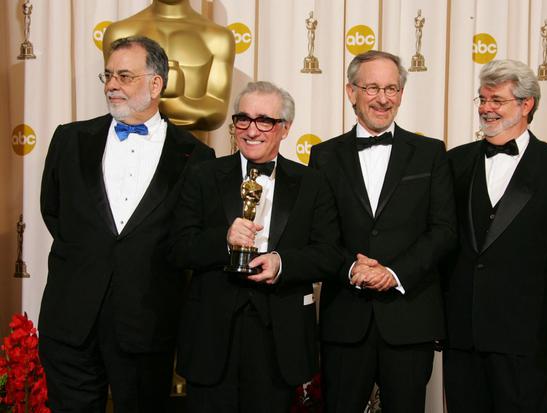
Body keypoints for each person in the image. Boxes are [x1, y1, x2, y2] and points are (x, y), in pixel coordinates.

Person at [39, 36, 214, 412]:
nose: (111, 85)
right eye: (107, 75)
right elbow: (52, 211)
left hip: (146, 323)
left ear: (156, 84)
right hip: (70, 319)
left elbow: (189, 239)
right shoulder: (69, 140)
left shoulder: (198, 157)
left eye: (123, 76)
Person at [168, 81, 342, 412]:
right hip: (211, 336)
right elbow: (177, 248)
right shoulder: (203, 176)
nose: (251, 130)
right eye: (243, 119)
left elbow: (329, 254)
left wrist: (282, 262)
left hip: (279, 338)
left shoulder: (312, 183)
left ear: (285, 128)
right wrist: (223, 238)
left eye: (265, 120)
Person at [443, 59, 547, 413]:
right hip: (463, 333)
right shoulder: (455, 162)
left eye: (496, 100)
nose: (486, 108)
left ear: (526, 104)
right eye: (482, 99)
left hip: (526, 335)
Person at [308, 50, 456, 413]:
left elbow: (443, 230)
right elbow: (320, 234)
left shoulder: (430, 153)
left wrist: (394, 273)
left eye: (392, 88)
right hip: (346, 317)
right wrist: (352, 269)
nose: (383, 98)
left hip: (409, 317)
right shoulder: (324, 155)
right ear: (351, 92)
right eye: (372, 87)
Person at [102, 0, 235, 131]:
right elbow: (118, 103)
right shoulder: (119, 32)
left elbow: (215, 115)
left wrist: (169, 101)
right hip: (126, 145)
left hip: (189, 150)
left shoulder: (218, 37)